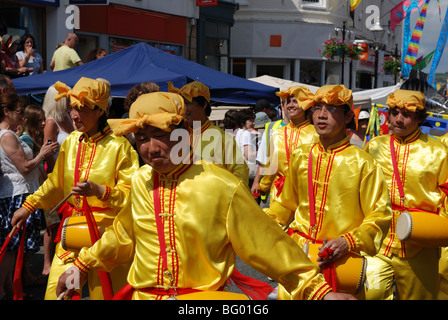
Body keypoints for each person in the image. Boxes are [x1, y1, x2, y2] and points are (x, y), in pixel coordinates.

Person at [54, 91, 355, 301]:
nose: (149, 148)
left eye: (158, 135)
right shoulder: (141, 181)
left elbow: (269, 247)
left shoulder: (220, 186)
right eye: (141, 139)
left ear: (183, 131)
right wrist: (81, 266)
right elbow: (120, 236)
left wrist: (320, 291)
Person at [11, 77, 140, 300]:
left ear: (101, 110)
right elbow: (55, 183)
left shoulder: (120, 147)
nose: (75, 115)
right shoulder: (71, 142)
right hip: (72, 236)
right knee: (59, 294)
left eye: (83, 109)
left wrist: (101, 191)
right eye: (72, 108)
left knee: (107, 296)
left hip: (105, 240)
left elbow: (132, 196)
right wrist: (29, 206)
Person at [264, 85, 392, 299]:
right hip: (300, 260)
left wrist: (348, 241)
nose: (322, 115)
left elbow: (379, 216)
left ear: (348, 116)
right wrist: (258, 223)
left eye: (332, 109)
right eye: (317, 108)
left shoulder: (364, 163)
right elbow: (286, 205)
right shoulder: (301, 156)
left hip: (343, 262)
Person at [363, 89, 448, 300]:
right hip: (378, 243)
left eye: (407, 114)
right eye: (394, 113)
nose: (399, 120)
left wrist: (438, 231)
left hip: (420, 245)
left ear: (419, 118)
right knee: (371, 295)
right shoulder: (374, 147)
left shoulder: (439, 152)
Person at [0, 94, 58, 299]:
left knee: (15, 246)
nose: (22, 117)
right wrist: (42, 154)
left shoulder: (9, 134)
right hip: (17, 193)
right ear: (6, 112)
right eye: (19, 112)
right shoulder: (6, 135)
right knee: (12, 245)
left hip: (21, 191)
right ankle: (3, 288)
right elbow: (24, 168)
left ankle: (8, 288)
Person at [168, 81, 249, 184]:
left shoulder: (222, 138)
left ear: (204, 104)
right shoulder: (177, 136)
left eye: (187, 103)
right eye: (181, 104)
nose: (183, 109)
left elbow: (240, 173)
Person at [257, 86, 319, 209]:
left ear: (306, 104)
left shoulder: (316, 134)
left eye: (295, 101)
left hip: (306, 195)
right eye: (288, 102)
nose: (290, 105)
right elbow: (272, 164)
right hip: (280, 194)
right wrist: (263, 185)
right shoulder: (278, 134)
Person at [42, 84, 75, 173]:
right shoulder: (50, 122)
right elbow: (48, 155)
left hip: (72, 170)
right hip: (59, 173)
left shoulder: (67, 116)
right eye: (67, 99)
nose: (71, 102)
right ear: (58, 100)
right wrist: (56, 175)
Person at [234, 109, 258, 185]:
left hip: (241, 170)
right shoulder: (246, 133)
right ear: (242, 122)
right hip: (250, 171)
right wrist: (262, 151)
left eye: (253, 120)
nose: (253, 123)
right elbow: (248, 155)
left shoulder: (238, 132)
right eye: (251, 121)